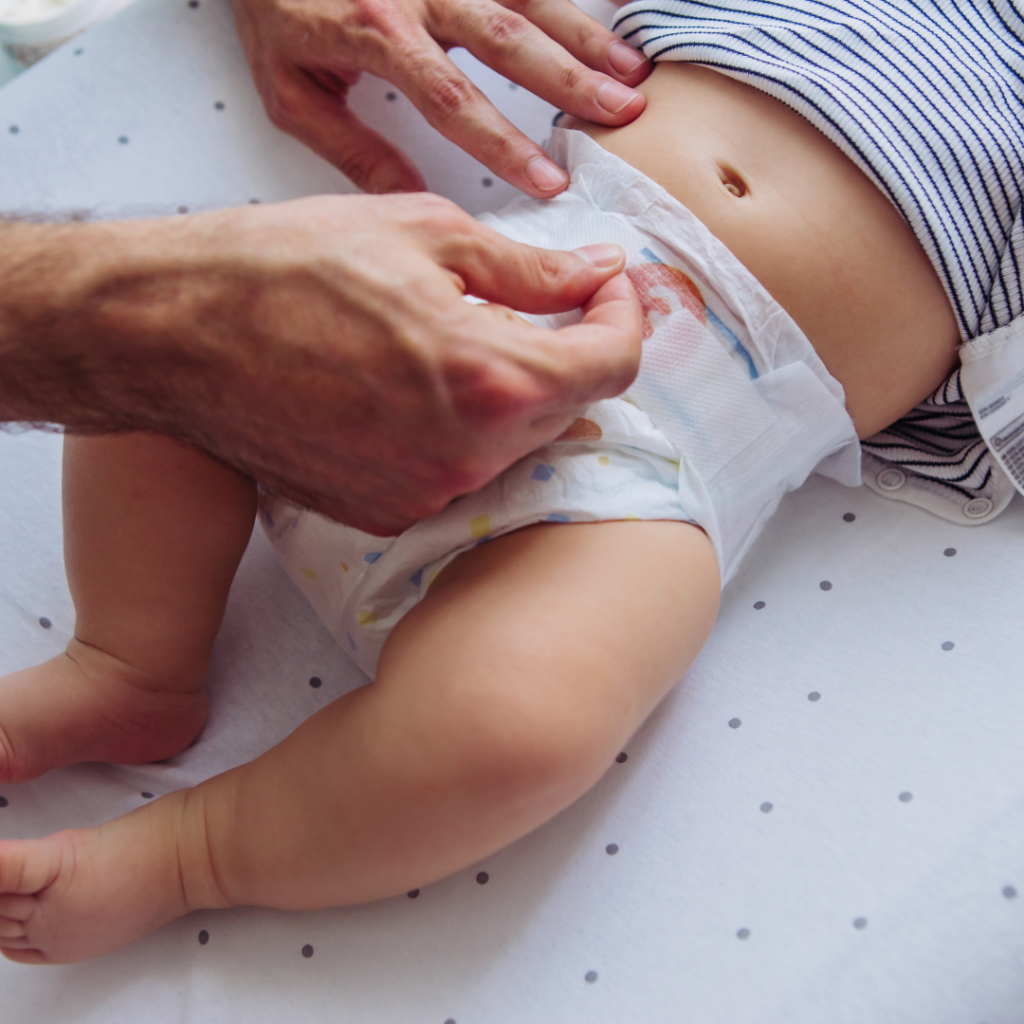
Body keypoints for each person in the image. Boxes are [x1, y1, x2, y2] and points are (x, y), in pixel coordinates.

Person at [3, 0, 1017, 965]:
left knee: (515, 723)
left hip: (649, 470)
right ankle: (132, 663)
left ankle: (193, 850)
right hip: (473, 278)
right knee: (171, 334)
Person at [0, 0, 655, 534]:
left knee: (505, 697)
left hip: (613, 465)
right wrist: (191, 311)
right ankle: (128, 662)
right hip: (433, 302)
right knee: (143, 355)